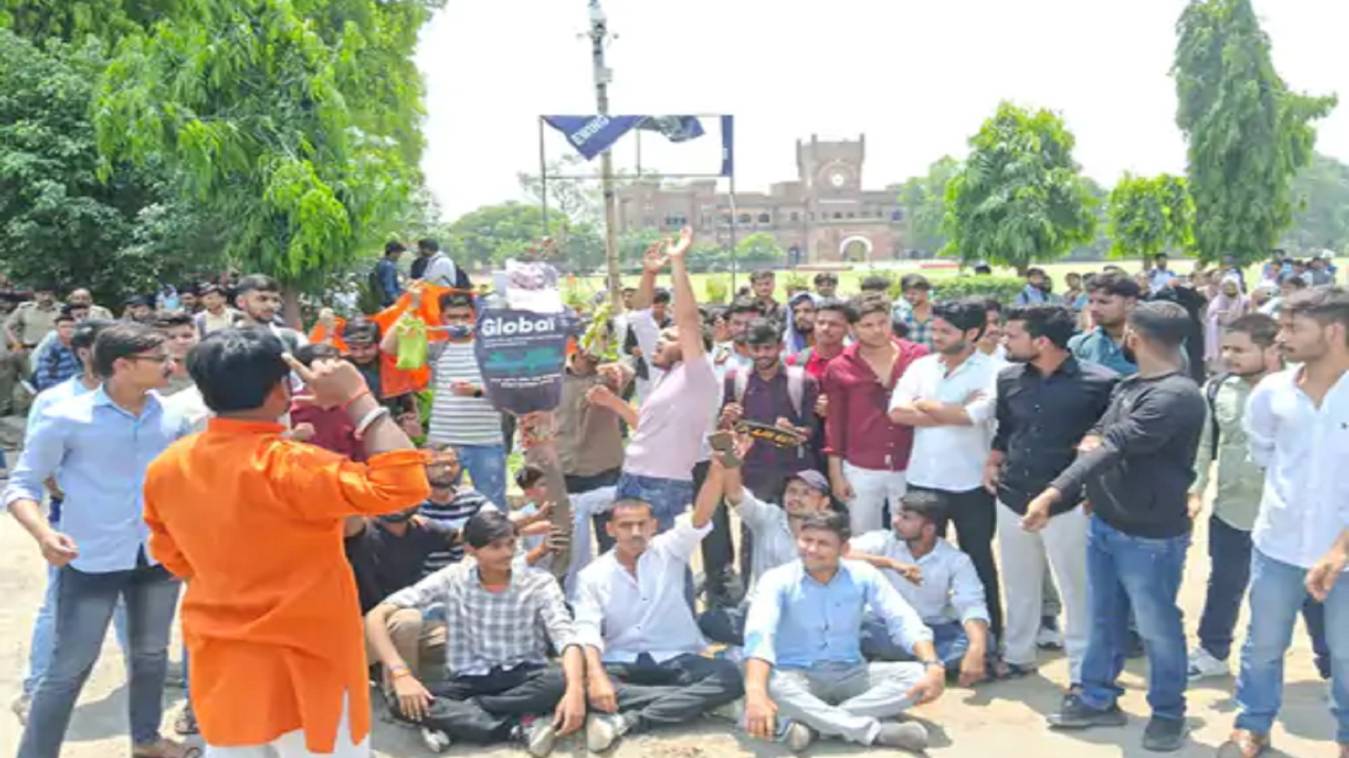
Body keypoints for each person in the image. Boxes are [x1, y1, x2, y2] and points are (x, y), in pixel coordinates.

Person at [142, 329, 429, 757]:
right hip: (312, 663)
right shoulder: (297, 466)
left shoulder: (168, 467)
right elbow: (404, 485)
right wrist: (358, 398)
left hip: (223, 660)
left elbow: (171, 555)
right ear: (281, 391)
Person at [7, 322, 193, 758]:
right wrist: (43, 533)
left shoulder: (172, 416)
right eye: (158, 358)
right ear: (123, 366)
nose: (170, 364)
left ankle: (146, 741)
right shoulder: (67, 417)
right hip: (90, 560)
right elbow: (21, 484)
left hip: (156, 557)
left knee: (150, 655)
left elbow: (190, 481)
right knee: (68, 668)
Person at [1031, 301, 1206, 753]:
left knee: (1156, 627)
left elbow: (1112, 444)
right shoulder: (1133, 386)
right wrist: (1097, 448)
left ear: (1133, 336)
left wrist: (1053, 494)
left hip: (1149, 535)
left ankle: (1169, 714)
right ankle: (1097, 698)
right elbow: (1097, 438)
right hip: (1107, 522)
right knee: (1103, 618)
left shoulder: (1175, 396)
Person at [1221, 288, 1349, 758]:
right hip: (1278, 544)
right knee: (1263, 644)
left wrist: (1340, 548)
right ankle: (1252, 724)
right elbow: (1265, 454)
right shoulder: (1273, 392)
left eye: (1295, 328)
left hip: (1345, 557)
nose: (1282, 336)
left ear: (1334, 331)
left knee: (1347, 654)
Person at [365, 510, 585, 756]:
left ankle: (464, 717)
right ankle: (516, 727)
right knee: (401, 703)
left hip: (524, 675)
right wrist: (401, 673)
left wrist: (575, 689)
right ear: (470, 549)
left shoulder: (539, 581)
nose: (507, 553)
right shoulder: (453, 577)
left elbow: (565, 635)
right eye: (495, 546)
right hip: (470, 679)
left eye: (511, 543)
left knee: (564, 679)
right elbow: (376, 616)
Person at [1188, 314, 1330, 685]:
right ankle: (1212, 652)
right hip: (1234, 510)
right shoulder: (1217, 390)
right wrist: (1196, 489)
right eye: (1225, 349)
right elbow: (1204, 445)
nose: (1229, 357)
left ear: (1272, 350)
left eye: (1239, 349)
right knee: (1225, 583)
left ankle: (1330, 660)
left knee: (1311, 593)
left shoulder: (1303, 392)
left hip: (1292, 515)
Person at [572, 458, 744, 752]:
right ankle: (695, 703)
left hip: (677, 657)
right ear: (611, 529)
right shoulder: (592, 575)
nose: (635, 532)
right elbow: (586, 630)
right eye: (626, 525)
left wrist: (717, 468)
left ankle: (630, 721)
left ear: (654, 526)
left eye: (642, 524)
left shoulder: (669, 550)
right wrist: (598, 677)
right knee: (585, 685)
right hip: (624, 661)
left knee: (730, 676)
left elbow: (700, 517)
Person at [985, 304, 1117, 686]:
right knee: (1019, 581)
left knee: (1077, 588)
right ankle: (1018, 655)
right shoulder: (1008, 378)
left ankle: (1082, 670)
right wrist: (993, 462)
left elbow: (1107, 444)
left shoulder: (1101, 383)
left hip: (1069, 502)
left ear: (1041, 341)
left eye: (1012, 335)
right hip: (1012, 494)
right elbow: (1006, 429)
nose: (1003, 341)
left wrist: (1096, 491)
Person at [741, 510, 944, 753]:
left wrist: (933, 665)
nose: (812, 549)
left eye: (823, 543)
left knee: (917, 675)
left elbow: (902, 618)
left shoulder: (863, 575)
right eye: (807, 540)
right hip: (795, 676)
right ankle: (876, 731)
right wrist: (755, 694)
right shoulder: (777, 580)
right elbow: (759, 635)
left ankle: (813, 724)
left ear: (844, 549)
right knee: (769, 685)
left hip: (851, 672)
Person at [9, 319, 122, 725]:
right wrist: (62, 496)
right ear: (84, 353)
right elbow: (38, 462)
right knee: (61, 602)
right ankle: (35, 686)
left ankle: (150, 673)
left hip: (130, 519)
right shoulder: (56, 401)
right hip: (75, 517)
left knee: (132, 599)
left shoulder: (133, 396)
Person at [888, 298, 1003, 647]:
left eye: (945, 331)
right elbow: (896, 412)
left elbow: (975, 416)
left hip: (971, 484)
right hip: (923, 480)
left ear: (972, 333)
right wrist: (949, 409)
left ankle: (991, 639)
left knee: (978, 560)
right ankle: (915, 637)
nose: (936, 336)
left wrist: (925, 405)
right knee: (914, 557)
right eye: (934, 329)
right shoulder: (921, 366)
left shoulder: (994, 370)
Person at [615, 227, 717, 531]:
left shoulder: (697, 375)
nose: (658, 342)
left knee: (662, 561)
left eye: (668, 338)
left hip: (663, 483)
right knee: (635, 560)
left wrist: (677, 261)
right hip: (633, 476)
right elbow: (639, 315)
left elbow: (687, 320)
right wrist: (649, 273)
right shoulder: (665, 374)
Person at [696, 436, 835, 646]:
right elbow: (734, 494)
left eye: (806, 493)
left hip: (806, 617)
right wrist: (733, 461)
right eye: (792, 491)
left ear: (824, 503)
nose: (796, 498)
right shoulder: (768, 518)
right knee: (708, 621)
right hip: (759, 611)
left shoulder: (831, 537)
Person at [849, 490, 991, 681]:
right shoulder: (885, 541)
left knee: (982, 640)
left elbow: (971, 603)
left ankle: (903, 664)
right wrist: (891, 563)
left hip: (932, 628)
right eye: (898, 514)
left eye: (906, 518)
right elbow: (840, 552)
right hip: (884, 626)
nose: (896, 521)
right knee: (852, 627)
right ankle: (928, 665)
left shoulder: (955, 560)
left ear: (929, 528)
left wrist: (976, 649)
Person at [823, 293, 928, 534]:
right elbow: (834, 423)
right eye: (867, 325)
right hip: (862, 466)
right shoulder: (839, 367)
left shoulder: (918, 357)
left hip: (912, 462)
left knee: (912, 535)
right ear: (852, 329)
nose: (877, 330)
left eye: (883, 322)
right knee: (863, 537)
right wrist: (836, 473)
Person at [397, 289, 507, 509]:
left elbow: (509, 394)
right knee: (434, 503)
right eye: (453, 317)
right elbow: (390, 347)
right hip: (442, 443)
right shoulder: (435, 349)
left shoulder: (492, 349)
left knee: (491, 507)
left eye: (465, 316)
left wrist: (477, 392)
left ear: (475, 316)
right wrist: (411, 307)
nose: (460, 322)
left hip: (485, 442)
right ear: (442, 319)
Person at [719, 318, 821, 500]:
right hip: (751, 473)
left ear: (781, 346)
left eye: (768, 348)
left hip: (793, 472)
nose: (761, 354)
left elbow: (812, 429)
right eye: (755, 349)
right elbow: (724, 432)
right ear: (747, 348)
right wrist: (727, 419)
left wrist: (792, 433)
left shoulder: (803, 381)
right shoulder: (735, 380)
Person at [1069, 271, 1140, 375]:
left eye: (1103, 302)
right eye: (1090, 302)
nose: (1093, 308)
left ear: (1129, 303)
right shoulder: (1080, 346)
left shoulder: (1156, 344)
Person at [233, 274, 307, 349]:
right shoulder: (225, 340)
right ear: (240, 301)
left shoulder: (293, 340)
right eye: (262, 299)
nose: (271, 305)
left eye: (275, 300)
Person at [787, 297, 848, 379]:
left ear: (847, 328)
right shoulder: (795, 362)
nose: (825, 328)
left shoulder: (858, 362)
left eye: (833, 324)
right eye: (821, 323)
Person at [5, 284, 60, 365]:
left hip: (55, 353)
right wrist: (17, 345)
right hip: (29, 352)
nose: (47, 298)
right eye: (43, 294)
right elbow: (8, 327)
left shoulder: (62, 310)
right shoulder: (25, 309)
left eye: (50, 294)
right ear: (35, 294)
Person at [1204, 277, 1249, 375]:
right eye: (1226, 286)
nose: (1229, 289)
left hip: (1238, 332)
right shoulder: (1217, 301)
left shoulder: (1245, 300)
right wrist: (1217, 318)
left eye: (1232, 286)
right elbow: (1209, 317)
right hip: (1219, 334)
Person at [32, 307, 81, 392]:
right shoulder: (51, 352)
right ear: (56, 329)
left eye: (72, 327)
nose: (68, 330)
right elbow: (44, 381)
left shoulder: (83, 349)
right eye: (64, 327)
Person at [894, 273, 935, 349]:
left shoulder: (939, 314)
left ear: (926, 292)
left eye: (914, 293)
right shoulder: (900, 315)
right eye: (906, 293)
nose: (909, 296)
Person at [374, 240, 407, 307]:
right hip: (390, 300)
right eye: (399, 253)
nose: (400, 255)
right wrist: (398, 302)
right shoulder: (389, 266)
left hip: (383, 298)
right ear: (393, 252)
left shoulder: (381, 262)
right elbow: (389, 287)